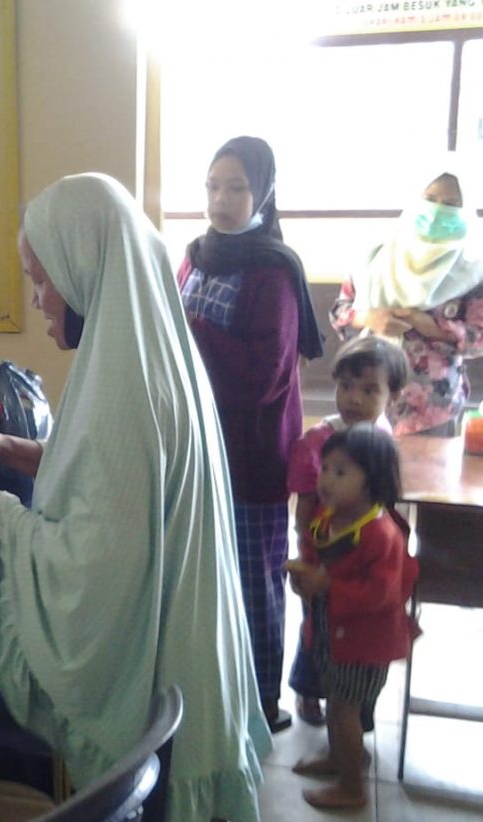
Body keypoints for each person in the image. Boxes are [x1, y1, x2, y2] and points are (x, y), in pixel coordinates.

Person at [0, 173, 271, 822]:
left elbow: (94, 570)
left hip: (154, 692)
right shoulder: (144, 353)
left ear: (83, 269)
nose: (37, 299)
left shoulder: (123, 392)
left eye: (42, 279)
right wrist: (4, 446)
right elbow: (110, 482)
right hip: (194, 664)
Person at [177, 136, 323, 734]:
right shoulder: (193, 256)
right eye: (213, 186)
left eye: (236, 188)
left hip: (251, 457)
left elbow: (263, 379)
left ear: (261, 192)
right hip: (196, 450)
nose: (221, 200)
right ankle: (213, 690)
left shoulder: (273, 273)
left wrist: (192, 329)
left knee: (255, 584)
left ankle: (263, 701)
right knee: (206, 580)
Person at [285, 424, 419, 809]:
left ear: (371, 479)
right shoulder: (330, 516)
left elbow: (381, 594)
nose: (326, 479)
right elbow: (315, 551)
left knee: (345, 710)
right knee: (334, 700)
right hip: (332, 634)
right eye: (325, 467)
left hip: (364, 644)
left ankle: (352, 788)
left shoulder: (381, 533)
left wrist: (324, 585)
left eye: (341, 472)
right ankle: (337, 758)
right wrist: (304, 578)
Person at [286, 336, 407, 726]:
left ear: (393, 396)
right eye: (346, 386)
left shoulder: (384, 439)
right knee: (317, 628)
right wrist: (309, 551)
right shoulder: (320, 440)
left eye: (370, 389)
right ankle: (310, 692)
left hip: (365, 553)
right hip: (325, 551)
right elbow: (305, 503)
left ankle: (354, 711)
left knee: (358, 633)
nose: (354, 399)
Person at [331, 166, 483, 437]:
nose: (438, 211)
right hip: (363, 399)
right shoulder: (376, 255)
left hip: (430, 408)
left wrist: (429, 325)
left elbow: (479, 338)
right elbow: (340, 311)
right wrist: (370, 318)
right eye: (430, 199)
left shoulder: (474, 269)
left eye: (451, 205)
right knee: (364, 477)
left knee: (425, 479)